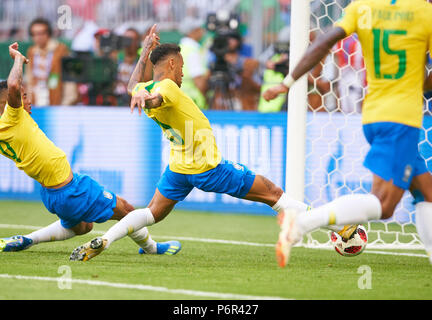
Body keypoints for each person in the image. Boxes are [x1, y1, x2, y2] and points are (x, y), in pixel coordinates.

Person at [70, 26, 357, 262]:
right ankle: (339, 227)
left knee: (152, 213)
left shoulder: (144, 88)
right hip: (208, 167)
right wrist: (151, 97)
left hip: (179, 167)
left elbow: (135, 84)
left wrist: (145, 52)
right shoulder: (167, 87)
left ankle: (105, 239)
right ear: (171, 64)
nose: (182, 73)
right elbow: (160, 96)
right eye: (181, 66)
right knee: (273, 193)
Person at [263, 0, 432, 266]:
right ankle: (302, 222)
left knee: (426, 191)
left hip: (373, 113)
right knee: (385, 204)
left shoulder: (362, 7)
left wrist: (287, 82)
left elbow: (322, 43)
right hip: (402, 118)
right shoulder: (424, 13)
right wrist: (415, 83)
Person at [0, 42, 181, 258]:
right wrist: (18, 60)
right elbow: (12, 86)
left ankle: (26, 240)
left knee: (83, 227)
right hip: (70, 189)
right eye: (23, 95)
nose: (27, 101)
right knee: (126, 210)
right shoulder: (12, 117)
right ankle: (152, 248)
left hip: (51, 194)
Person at [25, 18, 77, 106]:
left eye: (41, 33)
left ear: (48, 34)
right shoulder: (32, 52)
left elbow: (70, 80)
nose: (38, 37)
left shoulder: (61, 50)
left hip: (56, 98)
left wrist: (67, 103)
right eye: (34, 34)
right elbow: (29, 78)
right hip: (36, 98)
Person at [178, 17, 209, 110]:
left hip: (181, 100)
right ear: (193, 31)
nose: (202, 31)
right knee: (189, 125)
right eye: (199, 28)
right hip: (193, 103)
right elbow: (199, 81)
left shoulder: (180, 48)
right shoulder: (192, 51)